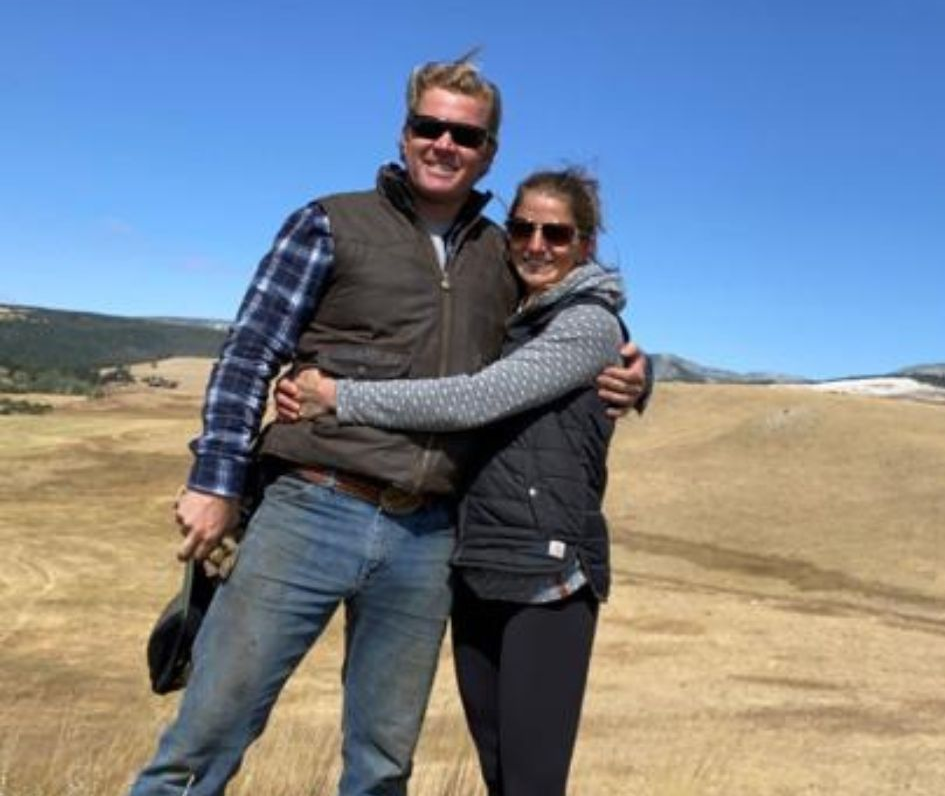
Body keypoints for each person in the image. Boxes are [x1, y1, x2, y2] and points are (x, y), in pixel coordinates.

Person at [129, 55, 647, 796]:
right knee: (204, 740)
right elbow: (250, 351)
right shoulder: (330, 221)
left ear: (487, 152)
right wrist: (214, 481)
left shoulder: (503, 256)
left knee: (380, 768)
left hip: (427, 538)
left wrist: (638, 370)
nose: (444, 144)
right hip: (310, 507)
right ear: (403, 135)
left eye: (464, 136)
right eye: (428, 127)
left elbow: (558, 334)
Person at [277, 167, 630, 796]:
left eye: (557, 232)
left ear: (586, 245)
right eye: (522, 228)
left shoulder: (588, 323)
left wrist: (340, 397)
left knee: (530, 782)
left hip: (548, 578)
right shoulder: (516, 319)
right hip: (479, 566)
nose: (536, 244)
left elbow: (475, 399)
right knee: (498, 770)